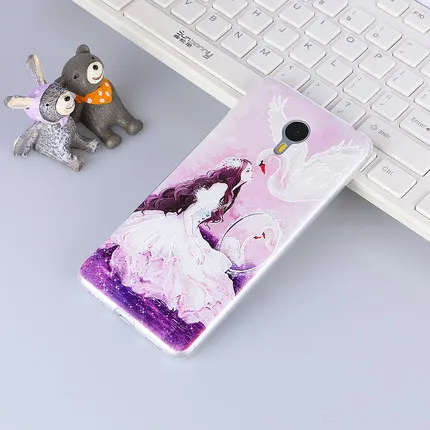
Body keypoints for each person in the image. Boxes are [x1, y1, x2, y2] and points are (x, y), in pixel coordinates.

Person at [106, 157, 254, 326]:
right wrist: (192, 242)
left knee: (201, 270)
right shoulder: (221, 188)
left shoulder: (230, 192)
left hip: (190, 229)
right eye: (248, 170)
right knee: (189, 267)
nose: (252, 174)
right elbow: (190, 213)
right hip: (182, 227)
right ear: (236, 172)